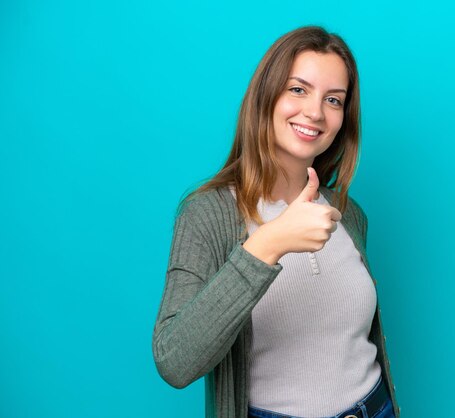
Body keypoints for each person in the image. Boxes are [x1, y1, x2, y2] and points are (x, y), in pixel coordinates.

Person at [152, 25, 400, 418]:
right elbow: (174, 361)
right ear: (266, 95)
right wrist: (268, 245)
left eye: (333, 100)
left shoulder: (349, 214)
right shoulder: (207, 215)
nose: (315, 112)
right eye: (298, 89)